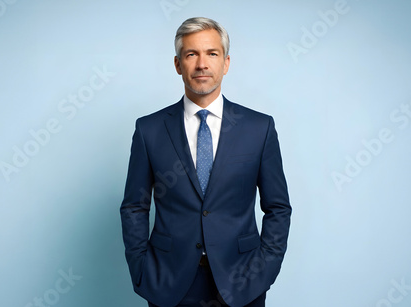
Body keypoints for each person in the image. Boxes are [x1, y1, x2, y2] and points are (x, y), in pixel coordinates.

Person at [120, 17, 291, 307]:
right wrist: (142, 269)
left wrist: (264, 270)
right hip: (169, 283)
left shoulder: (258, 128)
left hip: (242, 281)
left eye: (212, 53)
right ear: (177, 65)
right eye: (191, 54)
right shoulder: (149, 130)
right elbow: (134, 206)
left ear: (225, 63)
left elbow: (278, 207)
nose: (202, 64)